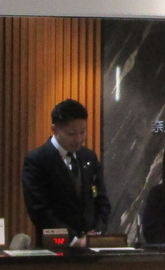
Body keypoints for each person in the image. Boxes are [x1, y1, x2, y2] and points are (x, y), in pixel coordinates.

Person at [22, 99, 110, 246]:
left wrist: (97, 233)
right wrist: (74, 240)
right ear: (55, 129)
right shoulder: (37, 160)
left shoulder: (89, 156)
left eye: (82, 132)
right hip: (55, 248)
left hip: (91, 247)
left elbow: (102, 200)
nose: (79, 139)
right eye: (71, 134)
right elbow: (39, 210)